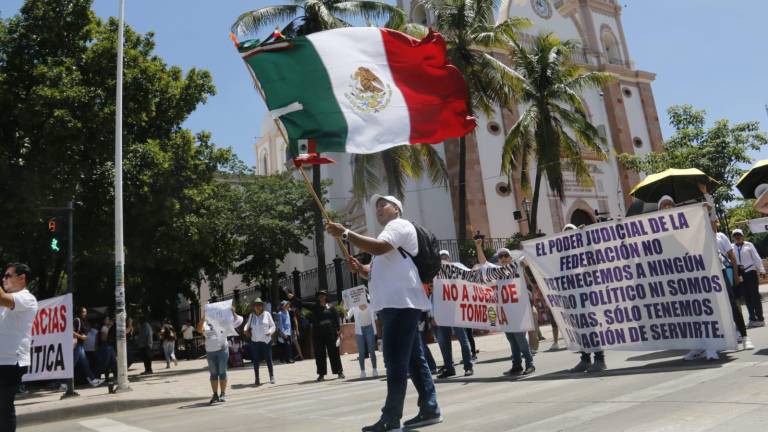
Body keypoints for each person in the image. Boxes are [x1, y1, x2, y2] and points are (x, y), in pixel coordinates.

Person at [327, 194, 441, 432]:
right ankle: (430, 408)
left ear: (397, 209)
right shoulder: (388, 235)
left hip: (400, 304)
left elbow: (379, 248)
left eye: (383, 204)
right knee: (413, 359)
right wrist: (362, 268)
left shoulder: (398, 226)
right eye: (376, 206)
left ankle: (390, 418)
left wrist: (345, 233)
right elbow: (376, 269)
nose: (378, 208)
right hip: (398, 304)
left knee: (395, 362)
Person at [476, 242, 535, 376]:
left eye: (506, 255)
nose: (503, 258)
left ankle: (530, 363)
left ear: (510, 257)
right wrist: (479, 246)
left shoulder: (517, 266)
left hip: (518, 311)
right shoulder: (497, 271)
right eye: (501, 256)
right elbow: (484, 263)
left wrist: (526, 249)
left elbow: (528, 260)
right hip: (505, 313)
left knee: (520, 338)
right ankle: (517, 365)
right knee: (511, 340)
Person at [0, 263, 38, 432]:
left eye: (8, 275)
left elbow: (2, 298)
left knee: (3, 407)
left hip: (11, 362)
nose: (3, 278)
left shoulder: (26, 297)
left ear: (22, 278)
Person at [288, 290, 344, 381]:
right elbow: (302, 303)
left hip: (331, 334)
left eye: (323, 295)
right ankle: (321, 374)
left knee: (334, 353)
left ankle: (339, 372)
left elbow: (336, 320)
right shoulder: (314, 306)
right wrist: (293, 298)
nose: (321, 297)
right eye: (319, 296)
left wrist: (339, 332)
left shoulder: (331, 307)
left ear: (326, 297)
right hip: (318, 335)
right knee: (319, 354)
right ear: (318, 298)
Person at [434, 250, 474, 378]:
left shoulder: (458, 267)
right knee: (443, 341)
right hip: (441, 310)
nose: (444, 259)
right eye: (441, 258)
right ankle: (449, 368)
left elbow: (471, 275)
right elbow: (432, 293)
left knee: (463, 339)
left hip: (457, 309)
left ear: (449, 258)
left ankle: (468, 366)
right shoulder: (434, 271)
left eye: (445, 257)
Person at [714, 223, 752, 350]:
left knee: (732, 303)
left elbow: (731, 256)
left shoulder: (720, 237)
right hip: (708, 276)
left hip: (724, 272)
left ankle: (744, 336)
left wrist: (736, 275)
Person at [198, 305, 243, 404]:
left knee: (222, 372)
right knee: (213, 373)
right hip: (210, 351)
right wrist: (203, 317)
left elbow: (239, 321)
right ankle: (215, 394)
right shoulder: (206, 322)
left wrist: (232, 312)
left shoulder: (224, 320)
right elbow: (199, 329)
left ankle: (223, 393)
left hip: (222, 349)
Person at [732, 229, 766, 327]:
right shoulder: (731, 247)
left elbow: (756, 257)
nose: (737, 237)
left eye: (739, 235)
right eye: (735, 235)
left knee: (755, 295)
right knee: (746, 297)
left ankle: (760, 318)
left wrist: (762, 270)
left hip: (750, 272)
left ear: (743, 236)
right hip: (740, 274)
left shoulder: (749, 245)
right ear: (733, 238)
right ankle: (752, 319)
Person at [244, 298, 276, 385]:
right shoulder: (252, 316)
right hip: (255, 341)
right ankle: (257, 378)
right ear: (253, 307)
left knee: (268, 359)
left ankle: (271, 376)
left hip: (266, 340)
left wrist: (270, 332)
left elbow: (273, 326)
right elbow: (247, 325)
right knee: (256, 360)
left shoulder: (267, 314)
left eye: (259, 305)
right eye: (256, 305)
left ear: (262, 306)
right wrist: (245, 329)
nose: (257, 307)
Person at [73, 307, 105, 386]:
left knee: (85, 364)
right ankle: (64, 383)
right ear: (80, 312)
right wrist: (81, 337)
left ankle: (92, 380)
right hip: (76, 345)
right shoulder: (77, 320)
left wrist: (83, 336)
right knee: (72, 364)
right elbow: (71, 331)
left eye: (86, 312)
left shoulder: (83, 321)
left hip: (80, 345)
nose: (85, 313)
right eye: (84, 312)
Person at [346, 302, 378, 378]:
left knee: (372, 350)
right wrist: (345, 306)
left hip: (370, 328)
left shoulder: (371, 304)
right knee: (361, 352)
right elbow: (347, 316)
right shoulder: (354, 306)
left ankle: (374, 369)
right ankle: (362, 371)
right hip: (359, 330)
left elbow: (375, 317)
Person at [97, 316, 117, 381]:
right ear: (104, 321)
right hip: (106, 346)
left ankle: (114, 374)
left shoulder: (107, 327)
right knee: (106, 362)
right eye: (107, 320)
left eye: (109, 319)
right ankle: (101, 376)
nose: (108, 321)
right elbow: (103, 338)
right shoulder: (104, 327)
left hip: (109, 346)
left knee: (112, 361)